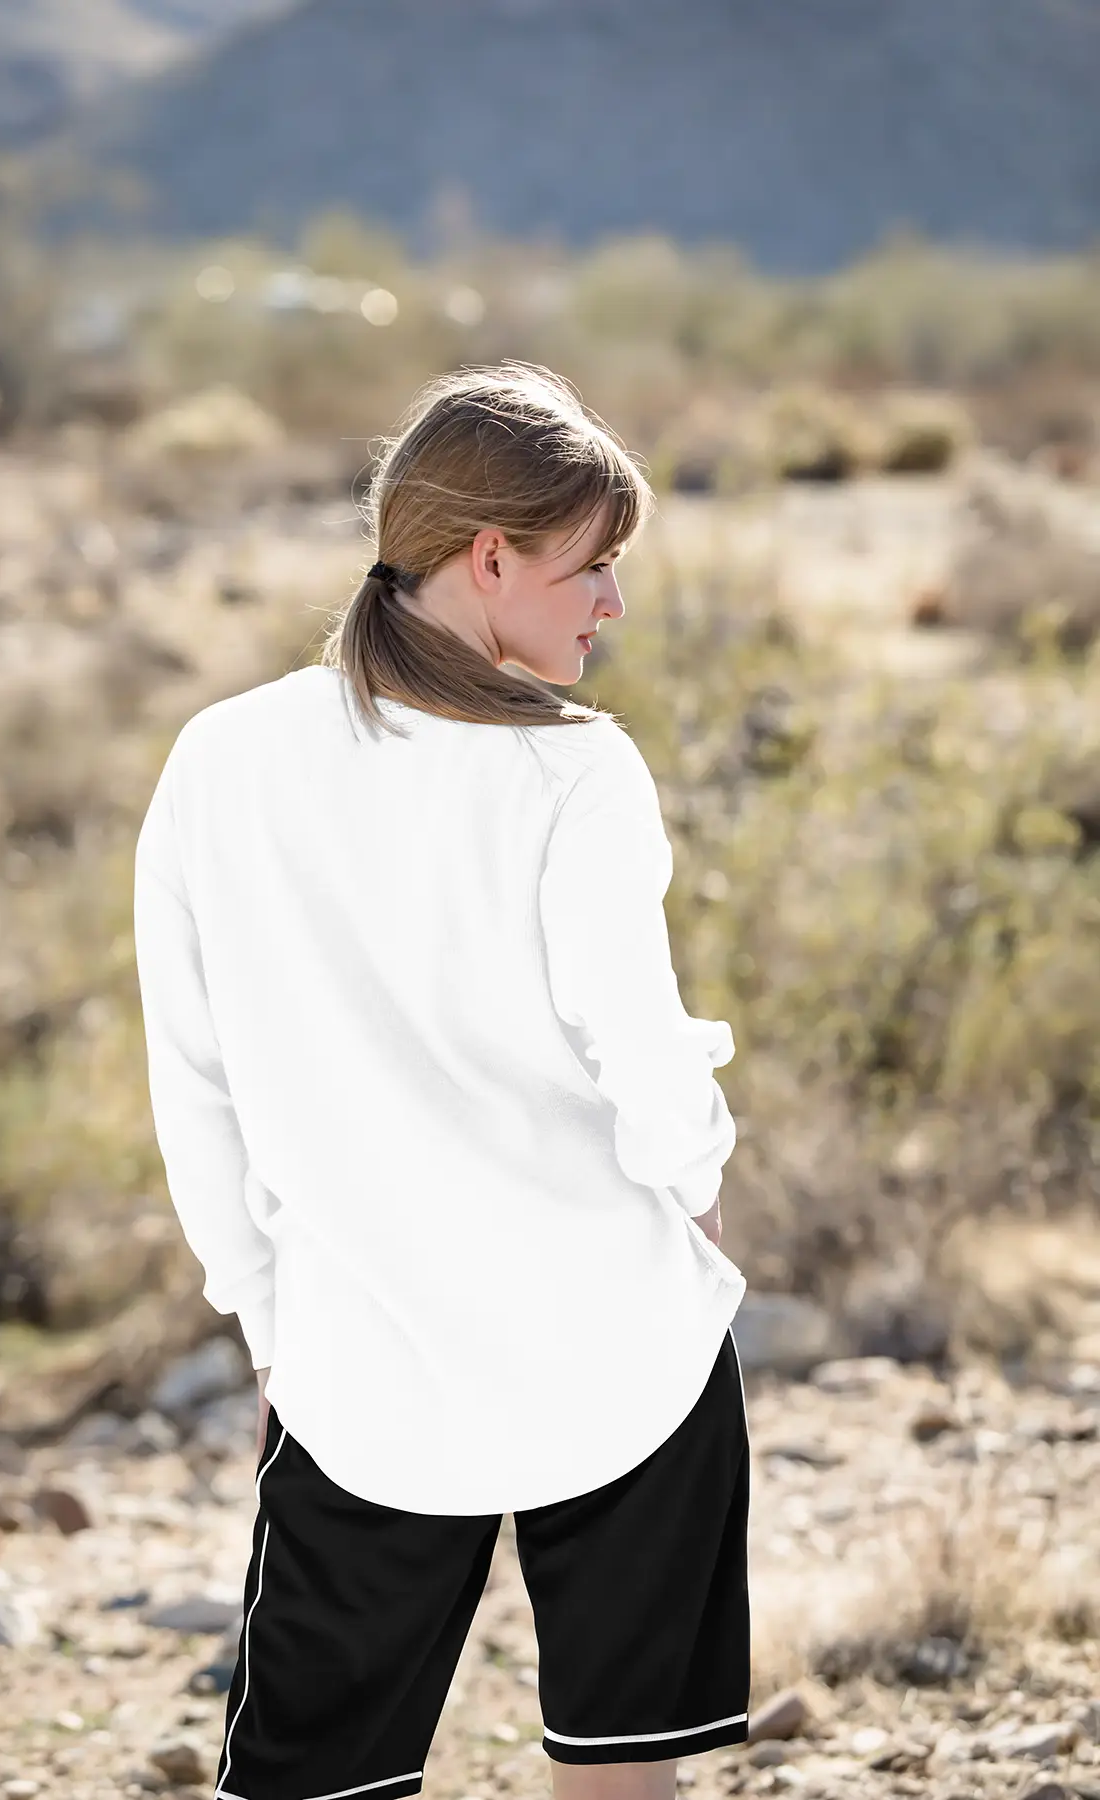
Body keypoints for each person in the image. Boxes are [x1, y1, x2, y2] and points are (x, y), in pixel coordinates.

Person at [132, 360, 751, 1800]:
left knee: (313, 1783)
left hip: (361, 1363)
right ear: (489, 558)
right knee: (621, 1771)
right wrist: (697, 1186)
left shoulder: (219, 759)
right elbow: (641, 1048)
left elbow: (193, 1081)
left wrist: (266, 1316)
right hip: (616, 1347)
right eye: (593, 567)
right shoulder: (577, 773)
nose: (613, 604)